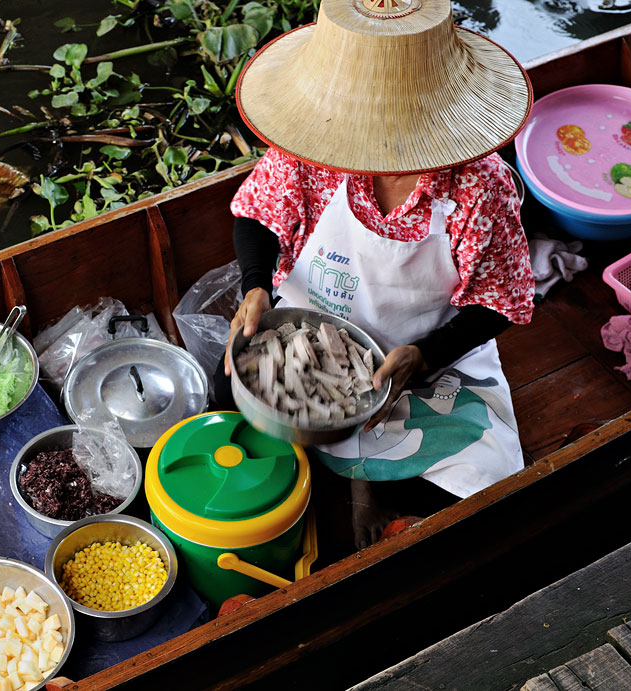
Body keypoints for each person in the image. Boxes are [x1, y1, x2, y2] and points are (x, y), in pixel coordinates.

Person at [220, 0, 536, 538]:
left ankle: (365, 480)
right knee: (249, 445)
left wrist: (427, 355)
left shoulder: (480, 188)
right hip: (309, 335)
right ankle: (361, 481)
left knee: (492, 484)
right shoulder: (312, 144)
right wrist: (255, 289)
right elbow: (256, 217)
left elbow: (500, 302)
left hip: (422, 353)